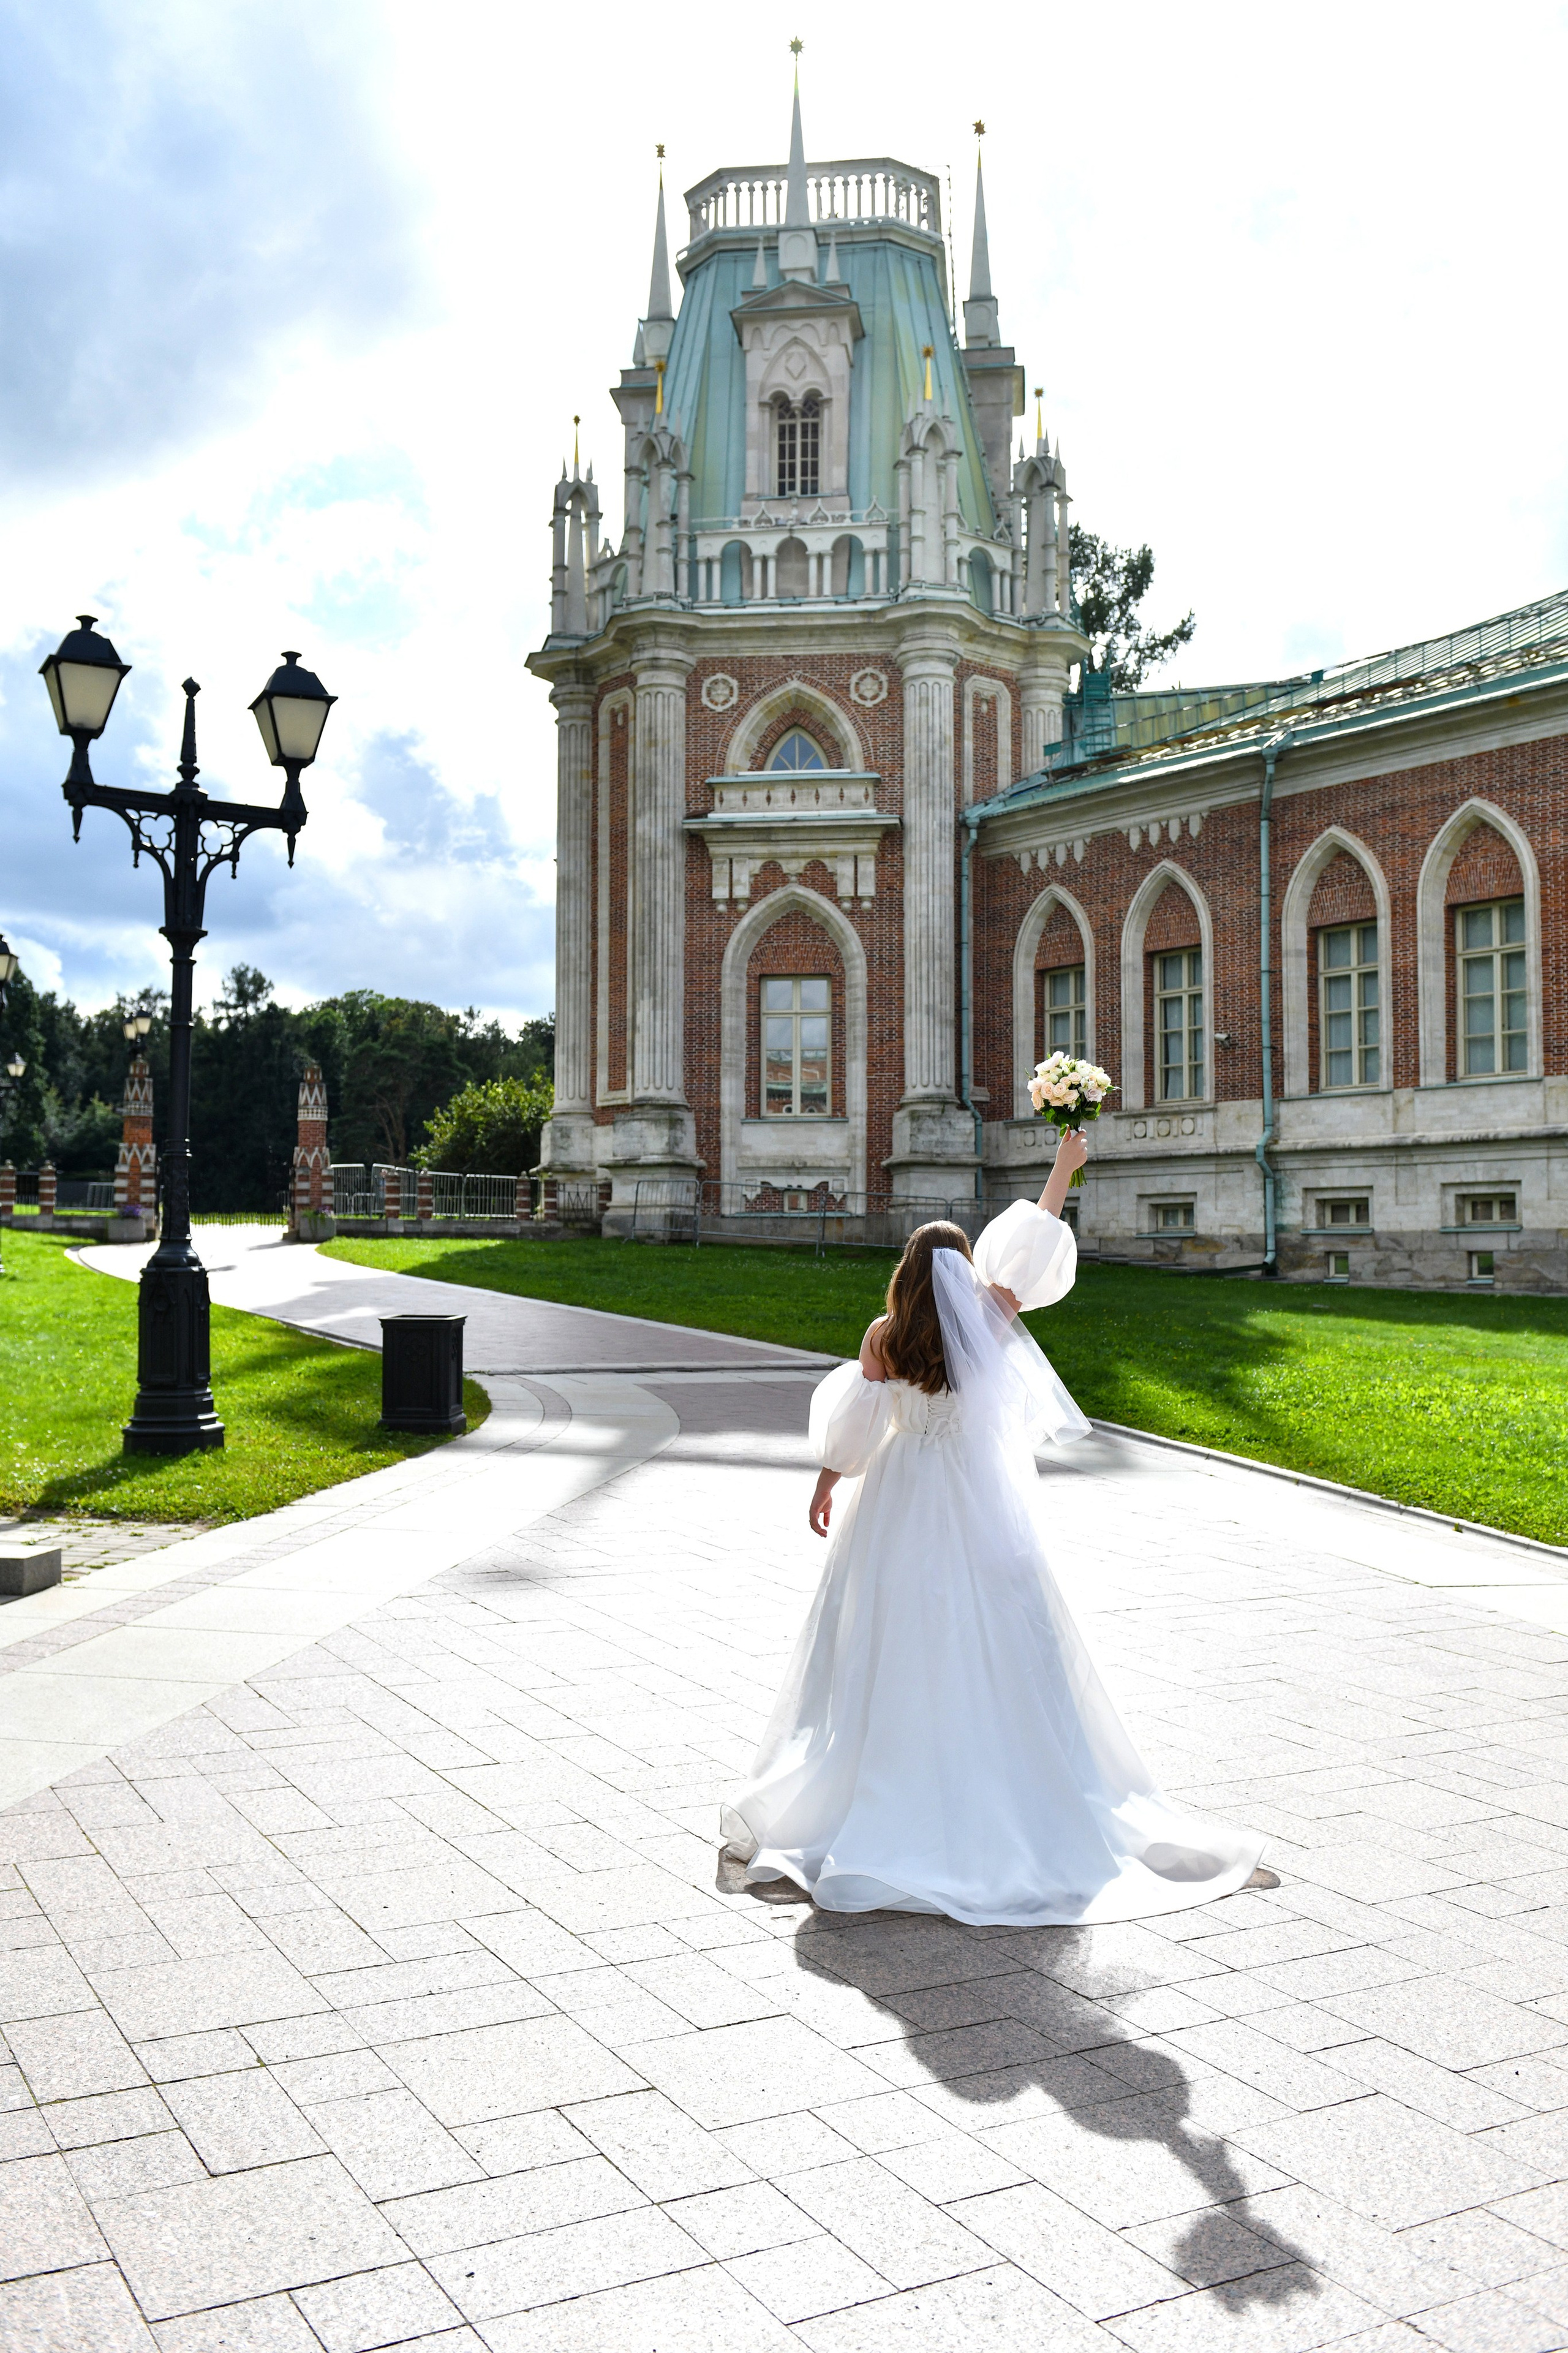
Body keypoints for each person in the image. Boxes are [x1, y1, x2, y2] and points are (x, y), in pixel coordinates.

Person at [722, 1128, 1266, 1925]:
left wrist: (828, 1482)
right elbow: (1035, 1249)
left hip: (902, 1498)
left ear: (906, 1275)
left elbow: (858, 1430)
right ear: (964, 1270)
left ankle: (889, 1775)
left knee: (888, 1636)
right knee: (998, 1634)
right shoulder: (990, 1311)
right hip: (978, 1503)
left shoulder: (886, 1338)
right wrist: (1061, 1170)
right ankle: (1005, 1777)